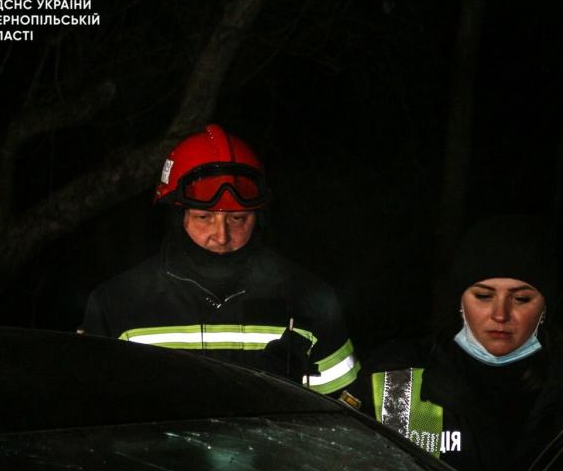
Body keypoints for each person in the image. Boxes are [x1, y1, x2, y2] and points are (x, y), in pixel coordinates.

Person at [358, 214, 563, 471]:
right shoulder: (391, 383)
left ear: (544, 307)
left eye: (521, 299)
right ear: (460, 301)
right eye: (483, 296)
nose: (500, 314)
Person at [80, 124, 360, 395]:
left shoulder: (308, 299)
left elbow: (346, 419)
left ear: (258, 217)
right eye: (204, 217)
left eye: (237, 218)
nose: (222, 235)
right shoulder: (117, 303)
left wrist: (288, 395)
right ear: (178, 217)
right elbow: (89, 412)